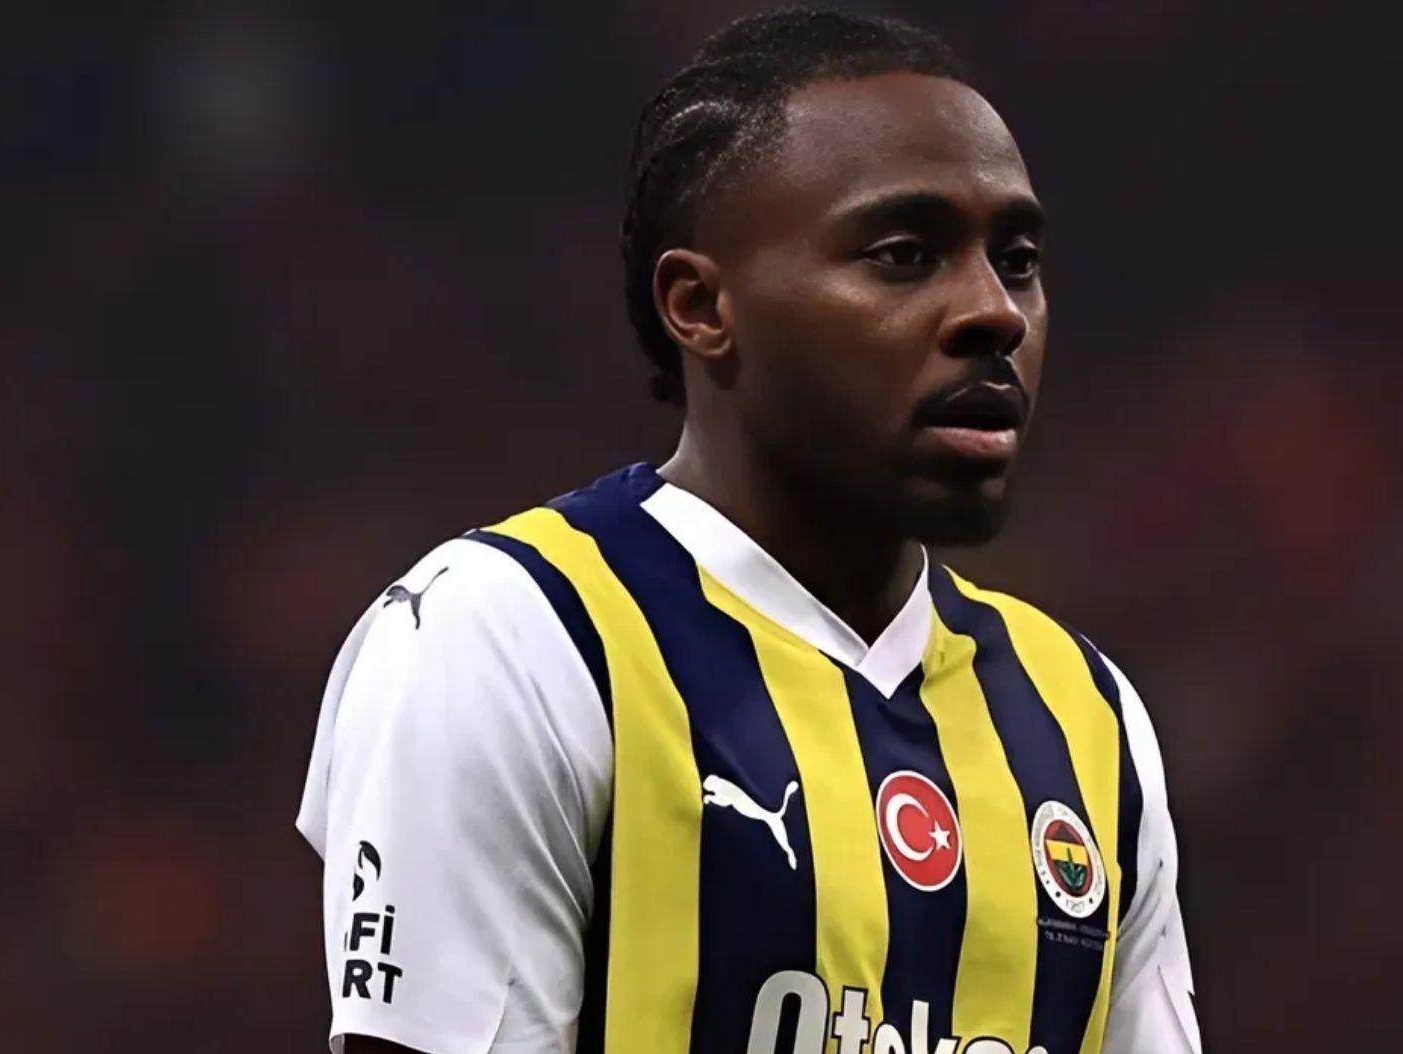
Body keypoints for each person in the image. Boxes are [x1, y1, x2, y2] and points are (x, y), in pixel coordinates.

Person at [297, 9, 1202, 1053]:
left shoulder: (1086, 716)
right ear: (699, 305)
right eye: (905, 254)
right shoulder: (511, 638)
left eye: (1018, 259)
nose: (994, 310)